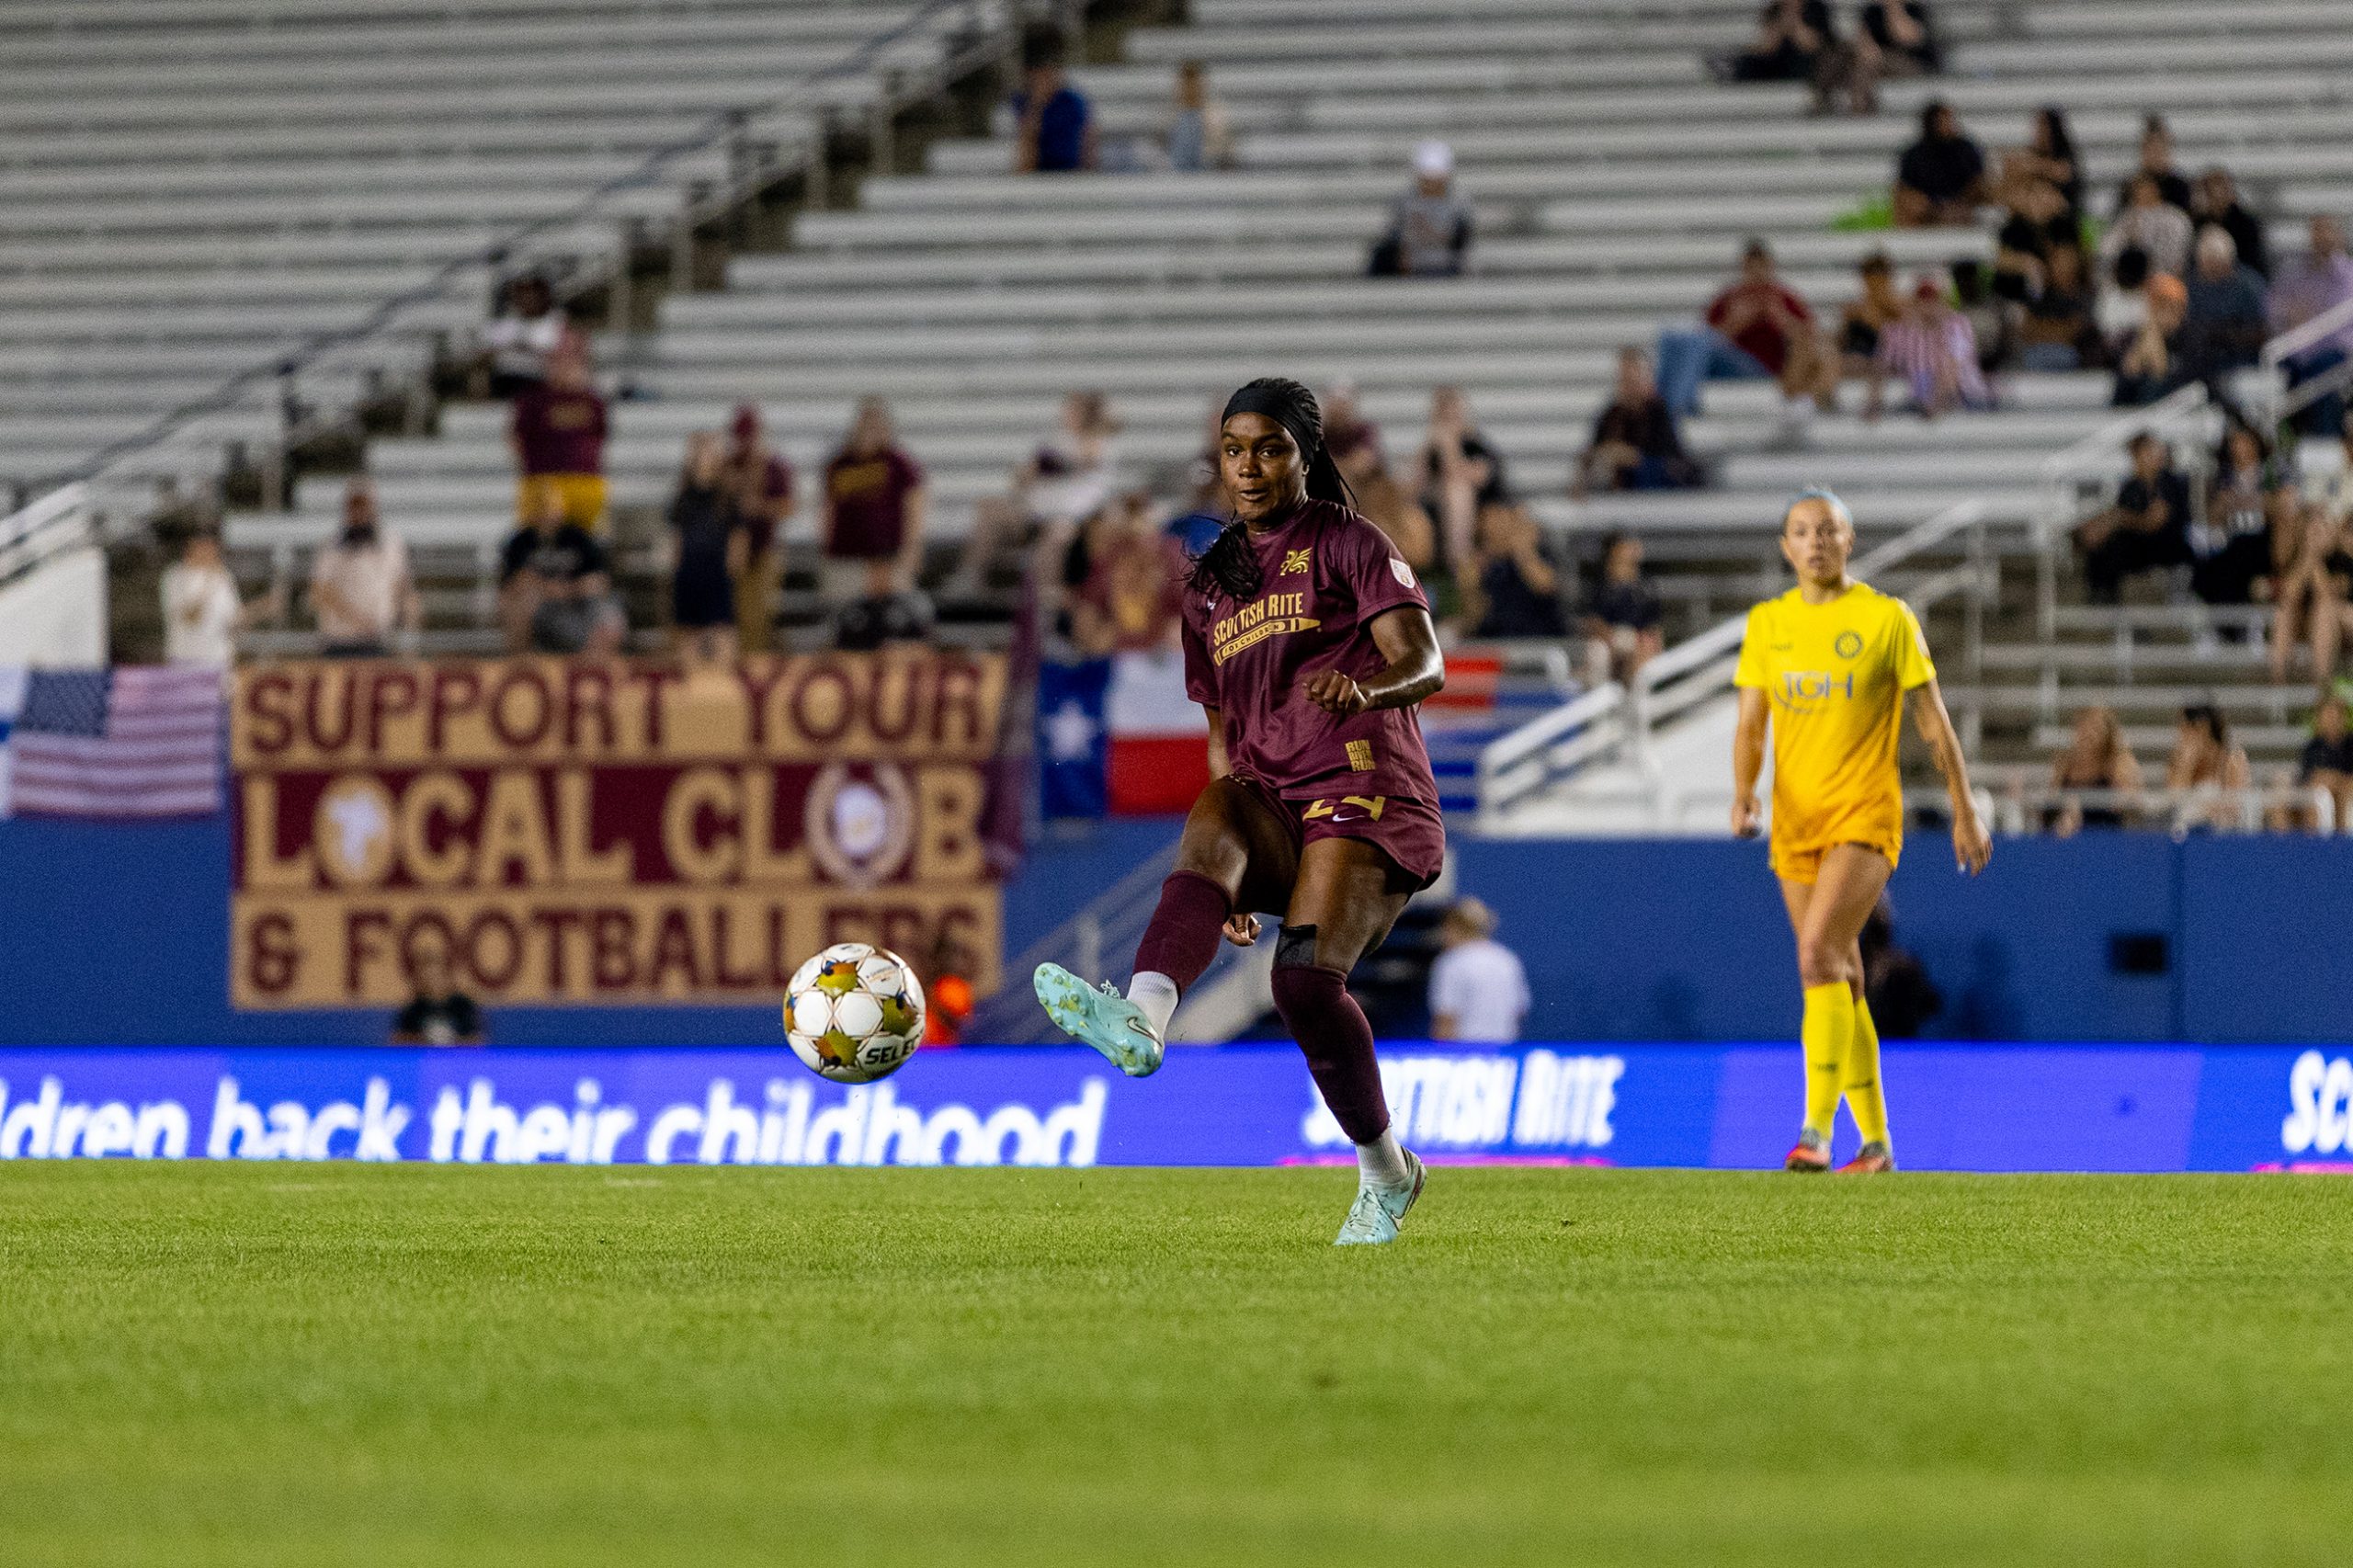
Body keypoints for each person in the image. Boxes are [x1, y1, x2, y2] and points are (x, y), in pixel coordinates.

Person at [1032, 378, 1449, 1246]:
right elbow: (1223, 734)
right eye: (1234, 450)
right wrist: (1228, 877)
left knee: (1301, 984)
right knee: (1220, 799)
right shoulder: (1211, 583)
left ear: (1305, 455)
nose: (1250, 467)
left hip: (1367, 793)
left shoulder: (1350, 542)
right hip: (1275, 800)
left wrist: (1364, 684)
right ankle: (1144, 1016)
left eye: (1269, 449)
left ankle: (1387, 1171)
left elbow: (1425, 662)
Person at [1730, 489, 1991, 1175]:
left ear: (1850, 539)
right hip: (1795, 822)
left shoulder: (1886, 619)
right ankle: (1876, 1144)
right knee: (1841, 974)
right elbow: (1752, 723)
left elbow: (1932, 719)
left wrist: (1965, 807)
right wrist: (1742, 795)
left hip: (1864, 816)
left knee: (1818, 952)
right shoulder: (1768, 624)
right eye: (1801, 531)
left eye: (1828, 529)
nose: (1815, 541)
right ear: (1786, 547)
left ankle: (1816, 1130)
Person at [1654, 239, 1829, 417]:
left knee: (1692, 339)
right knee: (1672, 338)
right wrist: (1734, 324)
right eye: (1751, 268)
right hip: (1728, 365)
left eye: (1761, 268)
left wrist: (1782, 321)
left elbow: (1812, 341)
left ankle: (1676, 405)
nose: (1757, 275)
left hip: (1763, 370)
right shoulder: (1728, 298)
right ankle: (1668, 403)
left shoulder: (1784, 299)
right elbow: (1704, 342)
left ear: (1770, 267)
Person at [822, 397, 928, 607]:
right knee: (849, 618)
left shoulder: (898, 463)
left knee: (891, 618)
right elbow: (829, 508)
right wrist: (825, 546)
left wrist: (912, 549)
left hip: (889, 554)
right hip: (847, 555)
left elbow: (914, 506)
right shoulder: (841, 463)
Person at [498, 487, 627, 655]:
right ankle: (523, 663)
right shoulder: (521, 542)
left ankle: (590, 670)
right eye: (541, 507)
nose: (547, 513)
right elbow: (514, 583)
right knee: (518, 603)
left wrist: (567, 590)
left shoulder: (578, 538)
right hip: (541, 607)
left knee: (609, 617)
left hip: (578, 604)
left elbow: (598, 581)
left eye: (551, 506)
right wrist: (547, 589)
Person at [2075, 431, 2191, 602]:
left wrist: (2120, 519)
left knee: (2115, 544)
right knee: (2102, 546)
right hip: (2140, 545)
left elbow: (2156, 522)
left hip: (2168, 545)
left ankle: (2106, 597)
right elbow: (2126, 514)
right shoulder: (2131, 486)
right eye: (2148, 450)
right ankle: (2102, 594)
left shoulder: (2169, 482)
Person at [309, 479, 417, 658]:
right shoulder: (331, 546)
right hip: (338, 641)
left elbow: (402, 587)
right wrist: (356, 619)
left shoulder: (391, 544)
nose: (359, 513)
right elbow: (319, 591)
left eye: (363, 506)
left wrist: (408, 632)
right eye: (354, 506)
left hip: (378, 641)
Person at [1069, 492, 1185, 656]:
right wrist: (1091, 635)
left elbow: (1195, 607)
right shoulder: (1108, 558)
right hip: (1121, 656)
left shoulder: (1173, 553)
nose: (1136, 524)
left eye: (1140, 514)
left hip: (1164, 652)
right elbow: (1087, 612)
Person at [1574, 347, 1702, 495]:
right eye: (1625, 378)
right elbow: (1592, 452)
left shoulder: (1659, 411)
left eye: (1634, 376)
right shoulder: (1612, 414)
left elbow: (1668, 457)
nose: (1630, 383)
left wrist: (1631, 457)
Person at [2190, 423, 2290, 609]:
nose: (2239, 447)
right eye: (2235, 442)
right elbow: (2212, 517)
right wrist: (2224, 504)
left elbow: (2282, 505)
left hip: (2262, 540)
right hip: (2232, 539)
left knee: (2242, 557)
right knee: (2208, 567)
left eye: (2244, 442)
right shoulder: (2223, 477)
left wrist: (2255, 501)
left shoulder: (2271, 473)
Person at [2268, 217, 2353, 437]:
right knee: (2274, 378)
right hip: (2295, 354)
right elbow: (2274, 308)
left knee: (2323, 379)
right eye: (2317, 232)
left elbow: (2337, 323)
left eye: (2327, 231)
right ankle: (2285, 444)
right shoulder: (2295, 271)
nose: (2322, 238)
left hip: (2333, 353)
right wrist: (2292, 315)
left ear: (2339, 236)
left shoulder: (2347, 274)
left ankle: (2324, 442)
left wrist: (2306, 315)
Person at [508, 347, 608, 530]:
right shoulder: (534, 400)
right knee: (538, 536)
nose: (565, 368)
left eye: (571, 363)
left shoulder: (592, 401)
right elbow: (517, 438)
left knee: (586, 540)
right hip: (543, 479)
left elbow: (601, 435)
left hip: (584, 480)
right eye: (559, 363)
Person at [667, 431, 746, 664]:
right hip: (690, 571)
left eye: (710, 451)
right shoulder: (683, 497)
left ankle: (725, 685)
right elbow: (677, 535)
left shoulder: (726, 496)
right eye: (700, 451)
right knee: (688, 631)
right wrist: (677, 566)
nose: (705, 457)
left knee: (723, 630)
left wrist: (732, 567)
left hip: (717, 571)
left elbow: (738, 535)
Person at [1866, 277, 1991, 421]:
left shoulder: (1957, 324)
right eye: (1923, 297)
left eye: (1933, 298)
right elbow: (1881, 366)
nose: (1928, 303)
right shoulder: (1901, 330)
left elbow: (1952, 368)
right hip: (1924, 399)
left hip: (1966, 397)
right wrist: (1873, 404)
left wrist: (1935, 403)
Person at [722, 404, 794, 655]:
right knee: (736, 614)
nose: (744, 442)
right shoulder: (728, 465)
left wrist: (760, 507)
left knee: (759, 613)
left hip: (765, 548)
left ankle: (755, 663)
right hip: (732, 550)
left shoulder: (775, 466)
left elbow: (788, 507)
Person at [161, 526, 268, 671]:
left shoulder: (224, 576)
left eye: (214, 547)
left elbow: (234, 621)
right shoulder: (175, 576)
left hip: (219, 659)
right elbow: (190, 617)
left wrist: (261, 607)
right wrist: (210, 581)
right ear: (191, 548)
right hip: (185, 658)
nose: (213, 553)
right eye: (205, 547)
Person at [1427, 897, 1530, 1043]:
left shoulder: (1451, 962)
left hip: (1464, 1057)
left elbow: (1445, 1021)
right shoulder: (1507, 959)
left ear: (1454, 927)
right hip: (1503, 1055)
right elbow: (1519, 1012)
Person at [1812, 0, 1938, 115]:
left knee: (1866, 61)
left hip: (1911, 64)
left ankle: (1860, 108)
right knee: (1842, 53)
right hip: (1876, 61)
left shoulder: (1914, 10)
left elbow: (1905, 38)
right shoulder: (1872, 11)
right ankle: (1823, 99)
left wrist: (1892, 7)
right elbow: (1864, 40)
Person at [2181, 226, 2270, 386]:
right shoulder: (2190, 284)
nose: (2211, 270)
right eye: (2207, 264)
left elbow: (2263, 332)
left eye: (2217, 264)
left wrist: (2223, 334)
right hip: (2196, 361)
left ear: (2228, 261)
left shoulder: (2249, 285)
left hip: (2238, 362)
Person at [1370, 141, 1472, 278]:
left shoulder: (1459, 203)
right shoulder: (1405, 201)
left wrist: (1432, 234)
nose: (1431, 186)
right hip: (1411, 265)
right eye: (1427, 180)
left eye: (1435, 180)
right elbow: (1395, 237)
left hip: (1445, 265)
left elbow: (1461, 240)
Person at [1468, 504, 1565, 639]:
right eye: (1487, 521)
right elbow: (1475, 618)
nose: (1494, 526)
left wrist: (1521, 549)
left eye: (1500, 518)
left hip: (1540, 637)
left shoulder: (1539, 552)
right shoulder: (1484, 565)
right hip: (1496, 639)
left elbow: (1545, 586)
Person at [1581, 530, 1664, 685]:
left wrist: (1651, 644)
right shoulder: (1601, 585)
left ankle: (1636, 701)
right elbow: (1593, 622)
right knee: (1597, 652)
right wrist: (1611, 640)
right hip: (1609, 638)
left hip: (1637, 637)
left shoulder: (1645, 587)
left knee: (1644, 650)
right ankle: (1599, 700)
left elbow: (1653, 625)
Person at [2047, 705, 2143, 835]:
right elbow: (2052, 799)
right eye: (2083, 726)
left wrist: (2121, 798)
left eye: (2095, 728)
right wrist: (2066, 810)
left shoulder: (2117, 761)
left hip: (2106, 835)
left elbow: (2131, 800)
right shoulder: (2064, 761)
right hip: (2069, 836)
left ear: (2106, 732)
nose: (2088, 733)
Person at [1893, 99, 1984, 228]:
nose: (1949, 125)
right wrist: (1933, 208)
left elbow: (1978, 181)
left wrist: (1959, 204)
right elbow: (1905, 188)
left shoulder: (1966, 149)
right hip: (1928, 208)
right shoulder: (1914, 154)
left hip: (1963, 205)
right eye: (1943, 121)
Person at [477, 274, 567, 399]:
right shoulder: (505, 323)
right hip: (504, 377)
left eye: (532, 295)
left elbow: (558, 353)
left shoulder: (555, 320)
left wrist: (520, 348)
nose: (527, 300)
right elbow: (486, 352)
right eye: (522, 295)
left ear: (542, 297)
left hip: (538, 378)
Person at [1012, 33, 1093, 174]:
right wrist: (1037, 106)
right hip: (1035, 177)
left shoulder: (1072, 102)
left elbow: (1087, 148)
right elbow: (1024, 165)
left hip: (1070, 175)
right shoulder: (1021, 103)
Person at [2165, 703, 2251, 832]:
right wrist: (2187, 765)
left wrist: (2205, 808)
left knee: (2206, 791)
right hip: (2188, 831)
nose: (2180, 735)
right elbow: (2173, 801)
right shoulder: (2179, 759)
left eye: (2184, 728)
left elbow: (2236, 806)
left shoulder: (2232, 757)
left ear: (2202, 728)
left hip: (2223, 832)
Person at [2017, 242, 2100, 370]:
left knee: (2066, 357)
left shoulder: (2085, 296)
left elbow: (2073, 332)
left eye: (2068, 261)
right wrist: (2057, 329)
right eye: (2059, 261)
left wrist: (2044, 328)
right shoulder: (2039, 294)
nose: (2064, 266)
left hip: (2073, 357)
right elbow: (2027, 330)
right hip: (2036, 354)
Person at [2110, 271, 2188, 408]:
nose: (2166, 313)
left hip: (2174, 413)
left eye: (2172, 307)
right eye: (2159, 306)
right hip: (2129, 412)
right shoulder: (2131, 337)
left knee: (2155, 384)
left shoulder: (2189, 340)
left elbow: (2161, 374)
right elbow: (2127, 376)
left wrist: (2154, 334)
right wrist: (2151, 330)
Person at [1711, 0, 1833, 84]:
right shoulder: (1773, 11)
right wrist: (1781, 25)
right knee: (1750, 62)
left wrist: (1794, 22)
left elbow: (1812, 45)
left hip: (1807, 61)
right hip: (1779, 61)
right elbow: (1767, 47)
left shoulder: (1816, 8)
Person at [2102, 174, 2193, 283]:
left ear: (2157, 190)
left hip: (2166, 277)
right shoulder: (2126, 217)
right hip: (2132, 280)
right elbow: (2106, 249)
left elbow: (2178, 253)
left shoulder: (2175, 217)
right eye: (2138, 189)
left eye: (2147, 188)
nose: (2143, 193)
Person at [390, 943, 483, 1046]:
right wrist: (426, 1040)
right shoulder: (413, 1010)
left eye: (435, 973)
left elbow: (477, 1040)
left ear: (445, 973)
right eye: (426, 974)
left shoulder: (463, 1006)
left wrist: (451, 1042)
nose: (431, 979)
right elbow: (398, 1040)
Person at [1836, 250, 1908, 379]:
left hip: (1890, 355)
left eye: (1879, 278)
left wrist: (1876, 316)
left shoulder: (1900, 305)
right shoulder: (1856, 308)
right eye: (1869, 278)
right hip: (1862, 356)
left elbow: (1902, 340)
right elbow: (1844, 342)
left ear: (1887, 278)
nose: (1873, 284)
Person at [2192, 168, 2268, 280]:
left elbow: (2253, 261)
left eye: (2221, 189)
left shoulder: (2246, 224)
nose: (2217, 197)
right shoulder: (2196, 223)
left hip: (2239, 278)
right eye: (2210, 192)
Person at [2112, 115, 2192, 216]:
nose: (2155, 155)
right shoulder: (2130, 185)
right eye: (2150, 149)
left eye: (2159, 150)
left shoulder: (2180, 186)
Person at [2294, 695, 2353, 830]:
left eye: (2334, 715)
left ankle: (2344, 840)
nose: (2331, 720)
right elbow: (2308, 778)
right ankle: (2315, 842)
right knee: (2318, 793)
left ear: (2342, 718)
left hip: (2346, 795)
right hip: (2321, 795)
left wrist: (2335, 780)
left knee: (2345, 792)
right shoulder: (2313, 747)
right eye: (2326, 715)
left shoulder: (2350, 744)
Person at [1163, 60, 1233, 173]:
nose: (1190, 88)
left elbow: (1223, 149)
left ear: (1202, 84)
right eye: (1186, 84)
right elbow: (1163, 150)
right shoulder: (1168, 114)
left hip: (1209, 170)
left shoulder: (1215, 113)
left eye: (1194, 83)